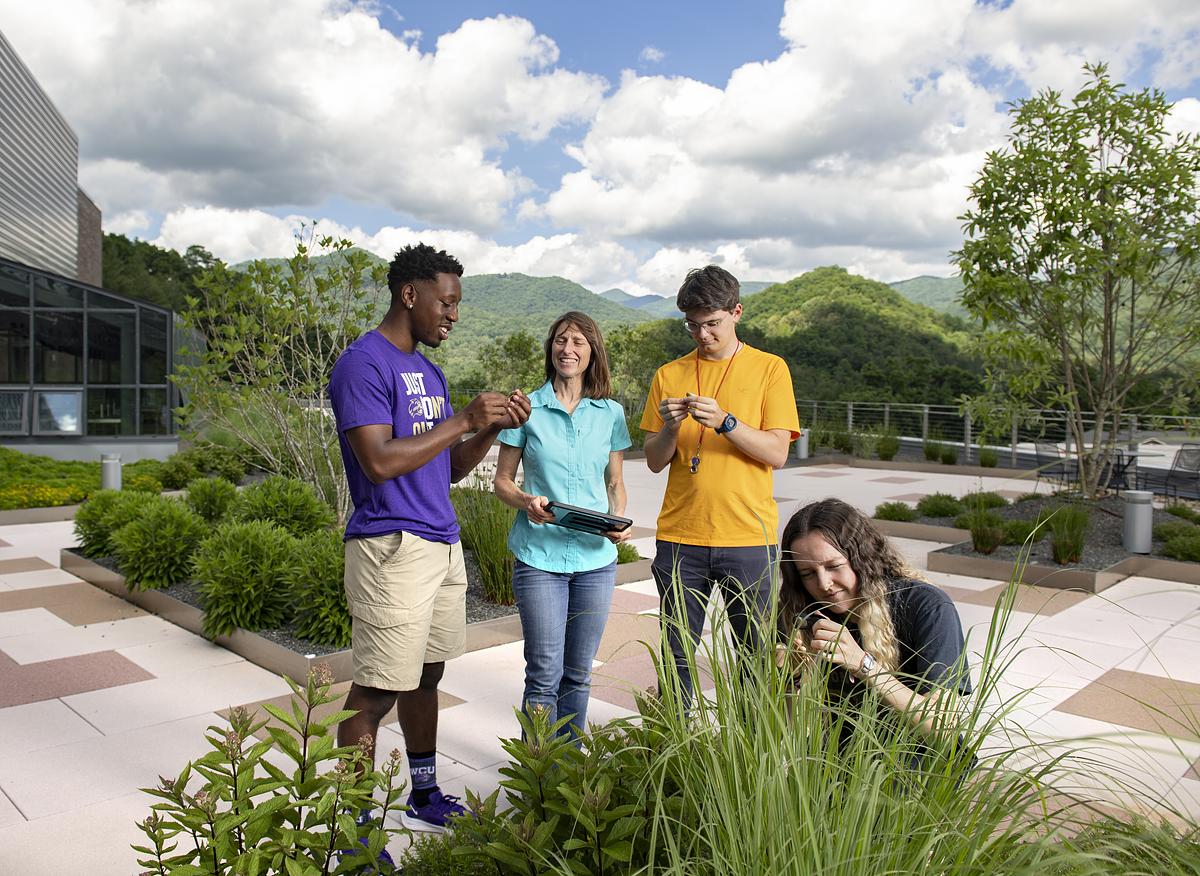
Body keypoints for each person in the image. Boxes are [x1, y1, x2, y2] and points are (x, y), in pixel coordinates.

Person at [328, 243, 531, 834]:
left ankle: (423, 791)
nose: (454, 315)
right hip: (391, 548)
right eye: (447, 302)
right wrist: (465, 419)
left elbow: (446, 469)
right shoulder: (363, 364)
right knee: (373, 694)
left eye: (458, 304)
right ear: (409, 294)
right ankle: (355, 836)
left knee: (427, 675)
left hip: (441, 542)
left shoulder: (429, 371)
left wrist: (488, 427)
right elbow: (379, 462)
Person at [639, 265, 800, 702]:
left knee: (755, 659)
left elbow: (777, 453)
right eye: (693, 324)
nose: (702, 334)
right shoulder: (668, 374)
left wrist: (727, 422)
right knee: (676, 658)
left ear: (737, 312)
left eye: (712, 323)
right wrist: (671, 429)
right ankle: (675, 750)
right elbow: (654, 461)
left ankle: (747, 760)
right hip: (680, 537)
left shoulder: (770, 369)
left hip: (749, 536)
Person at [493, 311, 632, 739]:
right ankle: (538, 778)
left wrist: (618, 522)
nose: (566, 350)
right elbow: (501, 483)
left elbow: (616, 483)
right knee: (544, 675)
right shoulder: (527, 409)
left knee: (578, 674)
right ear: (550, 348)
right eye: (560, 340)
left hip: (595, 560)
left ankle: (569, 770)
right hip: (539, 558)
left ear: (593, 353)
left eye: (577, 343)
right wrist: (526, 501)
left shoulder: (609, 413)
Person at [778, 498, 971, 737]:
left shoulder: (927, 606)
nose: (824, 584)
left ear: (863, 559)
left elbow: (944, 725)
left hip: (921, 762)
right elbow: (784, 734)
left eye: (834, 566)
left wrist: (862, 664)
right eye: (808, 573)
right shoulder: (803, 611)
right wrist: (788, 679)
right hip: (843, 760)